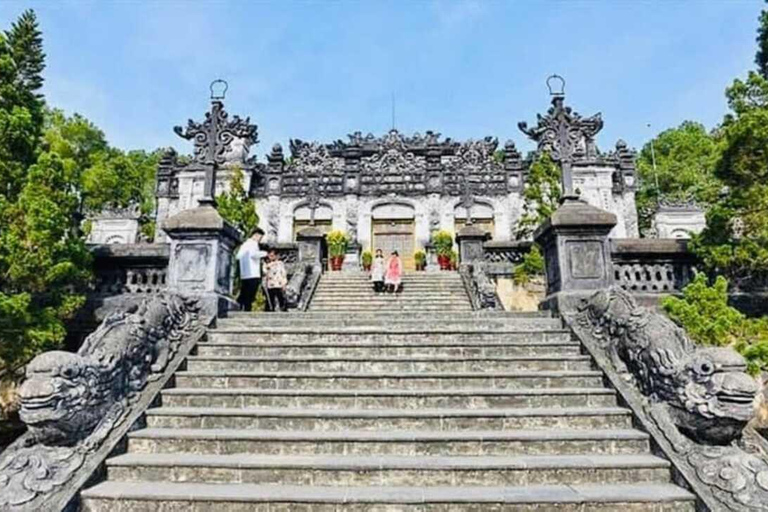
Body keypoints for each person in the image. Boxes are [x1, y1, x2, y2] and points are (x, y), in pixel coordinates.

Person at [236, 227, 267, 311]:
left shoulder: (245, 244)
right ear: (256, 235)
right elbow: (254, 255)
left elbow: (238, 256)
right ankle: (246, 309)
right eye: (260, 238)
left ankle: (240, 306)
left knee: (244, 292)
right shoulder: (253, 243)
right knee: (250, 293)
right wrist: (264, 253)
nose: (260, 240)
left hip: (245, 273)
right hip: (253, 273)